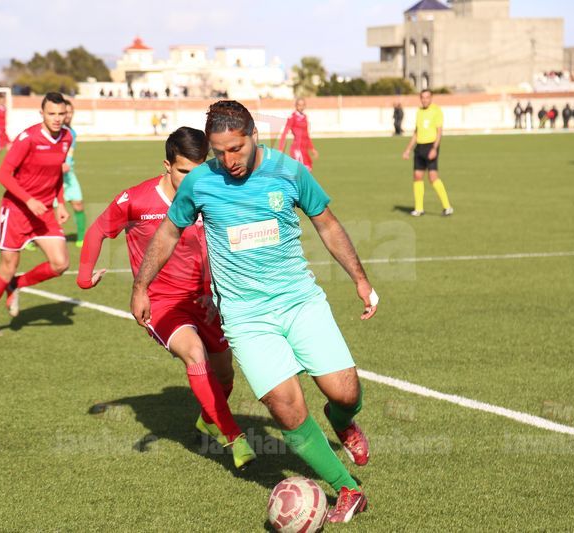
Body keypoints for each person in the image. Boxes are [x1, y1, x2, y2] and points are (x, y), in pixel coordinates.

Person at [131, 100, 378, 523]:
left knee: (345, 393)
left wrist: (359, 278)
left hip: (299, 301)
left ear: (254, 136)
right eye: (219, 151)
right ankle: (348, 489)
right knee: (285, 407)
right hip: (246, 317)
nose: (229, 160)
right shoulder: (201, 183)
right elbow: (169, 231)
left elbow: (327, 223)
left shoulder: (289, 171)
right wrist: (141, 286)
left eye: (236, 149)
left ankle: (342, 420)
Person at [77, 127, 255, 470]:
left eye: (199, 171)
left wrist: (215, 289)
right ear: (167, 166)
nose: (192, 180)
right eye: (184, 171)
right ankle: (235, 437)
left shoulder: (209, 196)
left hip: (204, 301)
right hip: (160, 302)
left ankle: (208, 420)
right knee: (194, 353)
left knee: (225, 374)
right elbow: (99, 229)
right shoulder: (136, 200)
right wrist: (84, 277)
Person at [0, 92, 73, 337]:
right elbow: (3, 174)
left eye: (61, 114)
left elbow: (57, 175)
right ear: (42, 114)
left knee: (60, 263)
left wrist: (60, 202)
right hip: (17, 210)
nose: (57, 118)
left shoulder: (67, 137)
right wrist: (29, 200)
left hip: (44, 212)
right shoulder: (27, 138)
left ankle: (17, 284)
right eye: (51, 113)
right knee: (7, 267)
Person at [402, 89, 453, 217]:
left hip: (431, 146)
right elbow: (416, 132)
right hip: (419, 147)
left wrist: (435, 148)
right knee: (417, 176)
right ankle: (419, 209)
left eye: (427, 97)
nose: (425, 100)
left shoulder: (436, 111)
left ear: (431, 98)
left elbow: (439, 131)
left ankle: (447, 207)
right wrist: (408, 149)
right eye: (423, 97)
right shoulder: (419, 112)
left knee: (433, 177)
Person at [60, 99, 86, 247]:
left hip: (68, 175)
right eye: (66, 112)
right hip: (53, 176)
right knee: (45, 209)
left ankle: (81, 238)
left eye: (71, 112)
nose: (69, 115)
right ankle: (32, 238)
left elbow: (69, 153)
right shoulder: (55, 131)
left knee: (78, 203)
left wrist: (67, 164)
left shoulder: (72, 133)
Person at [277, 98, 318, 171]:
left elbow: (306, 135)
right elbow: (284, 133)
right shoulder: (292, 118)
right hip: (297, 149)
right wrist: (280, 149)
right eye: (299, 105)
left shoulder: (305, 117)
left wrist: (312, 148)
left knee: (308, 170)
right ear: (296, 106)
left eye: (303, 105)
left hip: (304, 149)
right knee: (302, 171)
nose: (301, 107)